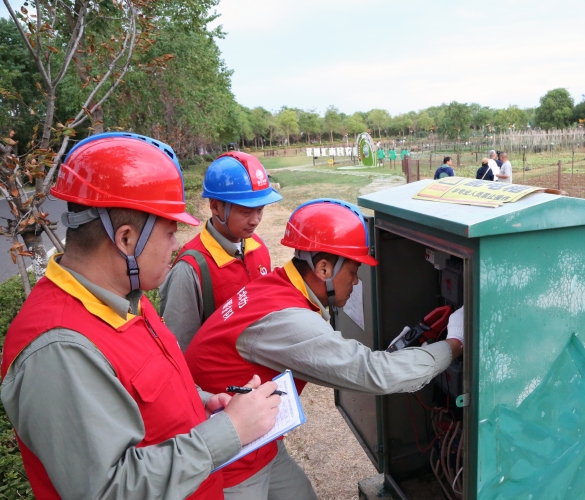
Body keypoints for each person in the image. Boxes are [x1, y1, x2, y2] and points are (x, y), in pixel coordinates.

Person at [0, 132, 282, 499]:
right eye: (169, 232)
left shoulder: (125, 297)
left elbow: (147, 390)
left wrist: (199, 401)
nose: (177, 244)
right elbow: (108, 490)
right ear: (126, 240)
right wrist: (229, 431)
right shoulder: (59, 349)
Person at [184, 198, 465, 499]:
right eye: (354, 271)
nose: (357, 282)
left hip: (260, 441)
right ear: (323, 268)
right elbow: (377, 373)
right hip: (230, 463)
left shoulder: (276, 285)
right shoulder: (287, 319)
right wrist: (456, 344)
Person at [160, 152, 281, 350]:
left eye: (260, 210)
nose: (255, 220)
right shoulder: (190, 270)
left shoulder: (258, 246)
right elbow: (179, 347)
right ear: (216, 207)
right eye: (246, 211)